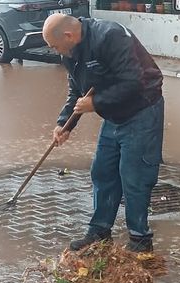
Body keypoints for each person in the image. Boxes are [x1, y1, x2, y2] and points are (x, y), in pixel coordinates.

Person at [42, 14, 164, 253]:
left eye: (55, 46)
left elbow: (133, 82)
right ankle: (99, 231)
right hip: (113, 114)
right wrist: (64, 123)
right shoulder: (70, 53)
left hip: (142, 109)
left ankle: (140, 239)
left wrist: (96, 103)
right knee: (102, 171)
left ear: (69, 35)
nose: (54, 51)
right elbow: (77, 91)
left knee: (134, 175)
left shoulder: (110, 36)